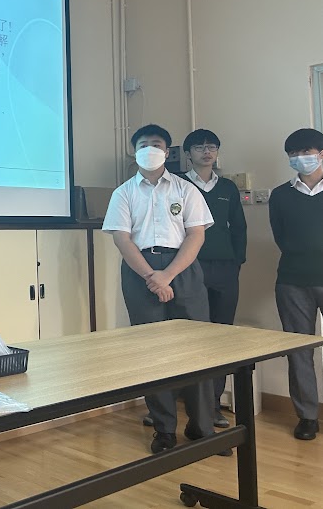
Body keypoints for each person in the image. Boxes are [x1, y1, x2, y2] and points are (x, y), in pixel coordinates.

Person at [102, 124, 228, 455]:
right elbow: (122, 239)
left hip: (182, 269)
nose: (150, 149)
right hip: (140, 271)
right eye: (143, 145)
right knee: (151, 353)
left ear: (167, 151)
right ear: (134, 152)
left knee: (196, 349)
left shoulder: (186, 189)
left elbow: (196, 235)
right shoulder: (123, 193)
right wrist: (152, 276)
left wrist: (168, 275)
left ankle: (202, 427)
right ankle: (164, 429)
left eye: (156, 144)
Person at [181, 129, 247, 428]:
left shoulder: (228, 187)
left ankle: (213, 403)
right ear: (188, 153)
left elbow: (239, 228)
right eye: (199, 147)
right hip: (189, 267)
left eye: (212, 147)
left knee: (221, 336)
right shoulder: (178, 183)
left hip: (225, 268)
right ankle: (188, 404)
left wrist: (237, 261)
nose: (207, 152)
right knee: (190, 336)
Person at [269, 128, 323, 441]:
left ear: (322, 154)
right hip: (292, 281)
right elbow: (281, 236)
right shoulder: (280, 195)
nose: (299, 158)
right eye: (293, 153)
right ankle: (307, 417)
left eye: (305, 151)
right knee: (298, 351)